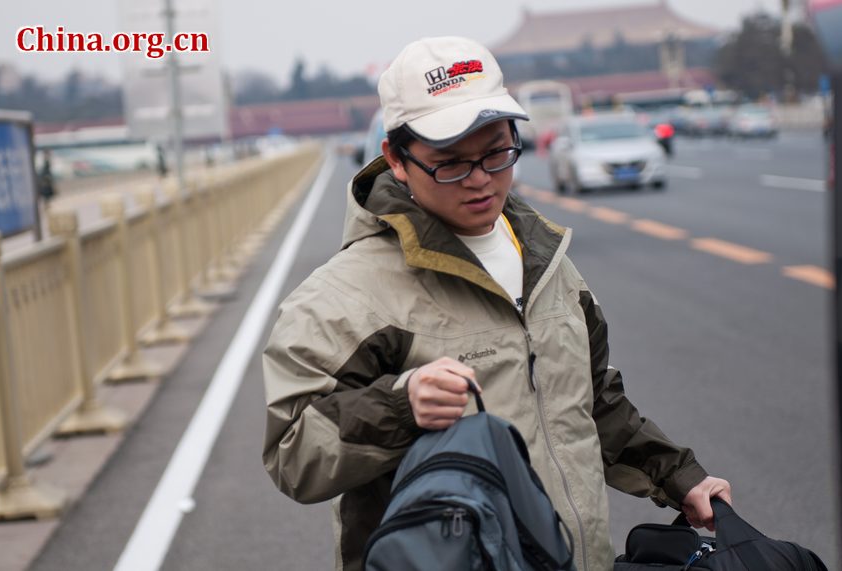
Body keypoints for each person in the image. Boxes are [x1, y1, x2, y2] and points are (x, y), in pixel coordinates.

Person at [262, 36, 731, 571]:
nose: (482, 180)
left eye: (496, 153)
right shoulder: (346, 296)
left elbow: (592, 398)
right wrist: (400, 405)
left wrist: (680, 477)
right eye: (451, 164)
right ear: (396, 158)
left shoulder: (547, 259)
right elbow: (293, 454)